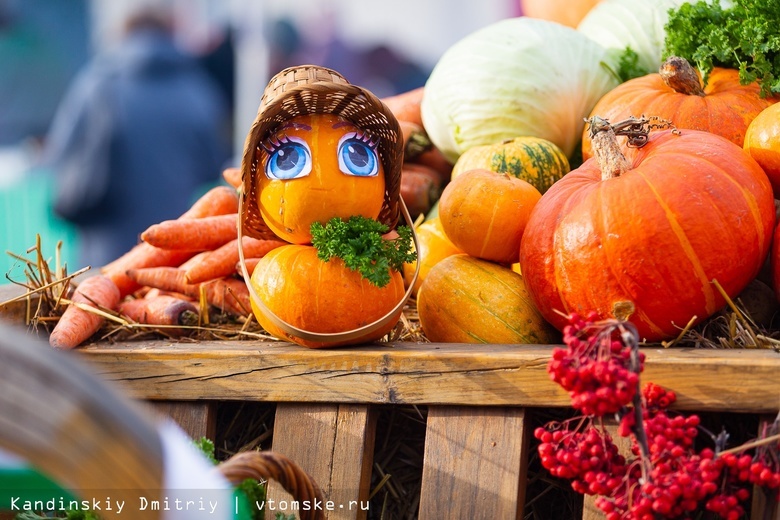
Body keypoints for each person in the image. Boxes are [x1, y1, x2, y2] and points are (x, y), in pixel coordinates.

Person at [42, 8, 231, 268]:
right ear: (170, 34)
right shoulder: (197, 90)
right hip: (169, 253)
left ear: (125, 34)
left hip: (102, 253)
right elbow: (213, 165)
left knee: (96, 302)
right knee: (163, 306)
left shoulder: (96, 84)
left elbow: (59, 151)